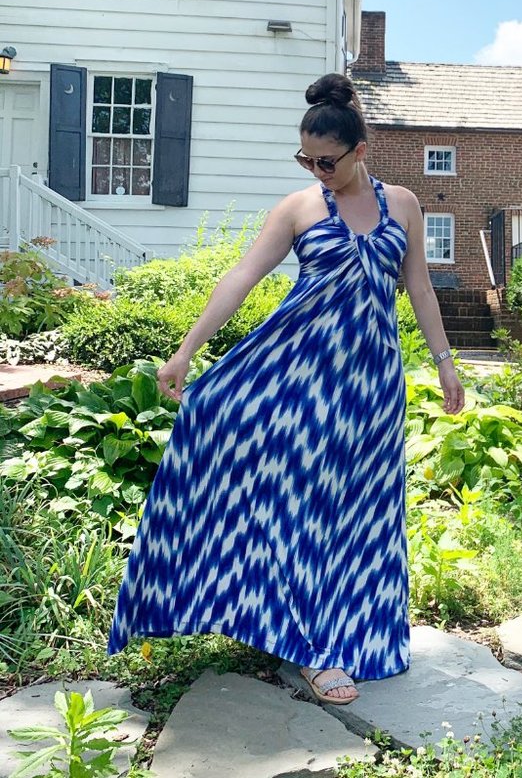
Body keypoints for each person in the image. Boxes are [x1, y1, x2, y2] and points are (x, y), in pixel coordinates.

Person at [107, 73, 464, 706]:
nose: (317, 170)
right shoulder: (298, 209)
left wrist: (444, 363)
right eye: (306, 160)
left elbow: (419, 288)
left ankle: (359, 631)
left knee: (363, 509)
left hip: (372, 384)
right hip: (300, 378)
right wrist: (186, 351)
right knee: (305, 505)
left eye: (326, 160)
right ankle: (311, 647)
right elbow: (242, 275)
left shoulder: (404, 204)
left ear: (360, 150)